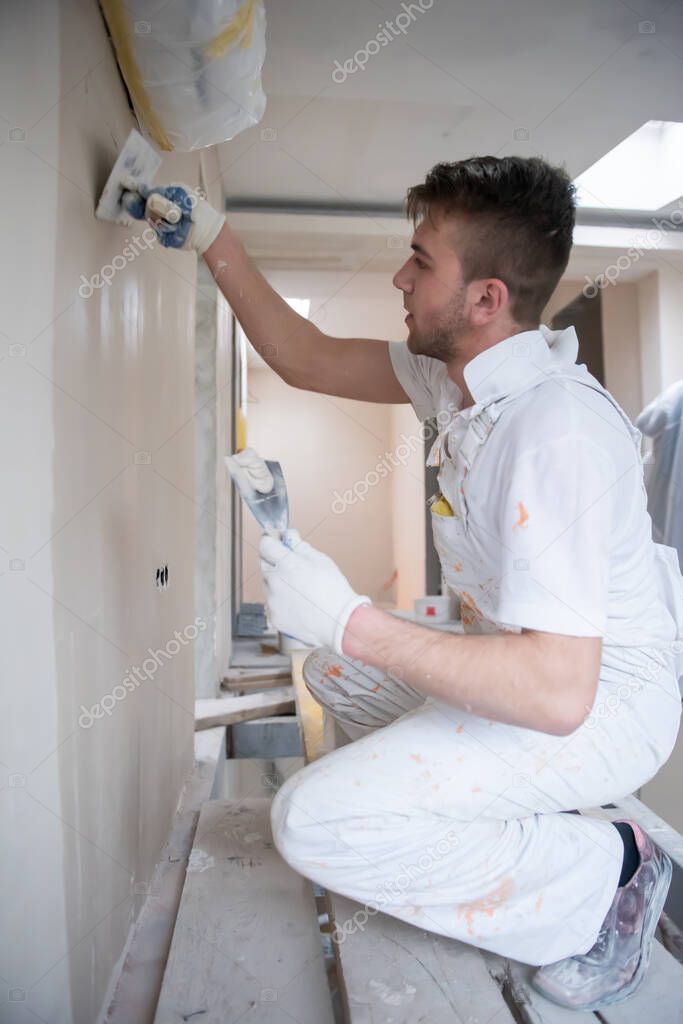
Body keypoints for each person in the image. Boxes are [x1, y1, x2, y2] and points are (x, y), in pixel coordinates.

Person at [133, 155, 683, 1010]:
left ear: (485, 300)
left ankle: (606, 877)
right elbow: (305, 356)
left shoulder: (551, 433)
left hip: (601, 706)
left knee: (312, 821)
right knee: (332, 674)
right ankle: (511, 827)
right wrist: (213, 238)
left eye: (420, 261)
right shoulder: (455, 381)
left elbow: (556, 692)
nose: (398, 274)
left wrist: (353, 618)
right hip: (536, 674)